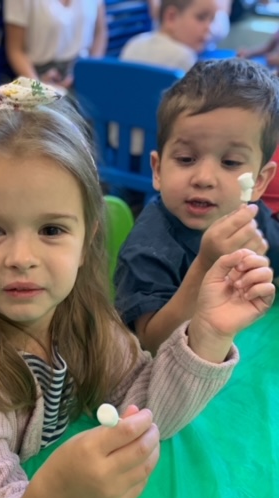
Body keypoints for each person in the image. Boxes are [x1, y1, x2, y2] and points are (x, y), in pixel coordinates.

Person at [0, 76, 275, 498]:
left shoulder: (84, 320)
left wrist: (208, 335)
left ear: (86, 240)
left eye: (51, 230)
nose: (22, 258)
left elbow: (145, 412)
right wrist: (58, 496)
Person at [114, 58, 279, 356]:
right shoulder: (147, 249)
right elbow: (150, 342)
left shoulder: (251, 219)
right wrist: (205, 265)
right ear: (158, 170)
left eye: (230, 162)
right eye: (186, 159)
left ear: (258, 181)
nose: (203, 178)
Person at [3, 0, 108, 90]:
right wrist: (38, 88)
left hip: (82, 71)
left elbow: (100, 33)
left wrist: (90, 74)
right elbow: (15, 50)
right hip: (39, 75)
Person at [121, 0, 216, 72]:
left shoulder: (133, 43)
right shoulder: (184, 57)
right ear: (171, 17)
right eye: (201, 18)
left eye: (211, 20)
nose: (209, 28)